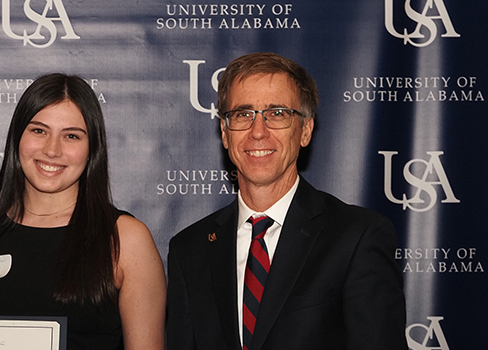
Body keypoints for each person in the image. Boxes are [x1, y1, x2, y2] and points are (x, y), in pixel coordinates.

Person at [166, 52, 406, 350]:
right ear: (225, 133)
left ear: (305, 130)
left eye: (276, 113)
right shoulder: (190, 249)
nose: (257, 132)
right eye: (243, 114)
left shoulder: (356, 238)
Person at [0, 73, 166, 350]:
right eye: (39, 131)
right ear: (17, 137)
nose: (52, 150)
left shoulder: (126, 239)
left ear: (92, 149)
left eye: (71, 136)